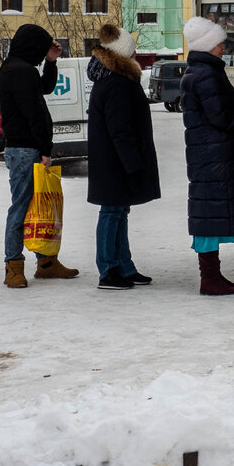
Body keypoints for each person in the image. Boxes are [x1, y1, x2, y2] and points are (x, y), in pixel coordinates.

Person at [0, 24, 79, 288]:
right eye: (42, 47)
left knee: (38, 207)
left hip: (23, 147)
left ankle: (46, 263)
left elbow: (44, 88)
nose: (44, 51)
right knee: (22, 207)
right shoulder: (20, 71)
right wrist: (45, 148)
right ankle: (14, 266)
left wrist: (50, 62)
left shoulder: (18, 68)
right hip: (25, 149)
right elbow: (35, 113)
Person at [182, 16, 234, 296]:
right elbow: (221, 117)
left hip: (207, 155)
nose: (223, 47)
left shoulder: (197, 72)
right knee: (208, 216)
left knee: (208, 214)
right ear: (208, 45)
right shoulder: (207, 75)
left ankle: (212, 276)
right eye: (219, 43)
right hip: (212, 156)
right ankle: (209, 279)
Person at [86, 24, 161, 290]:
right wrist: (132, 165)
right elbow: (120, 130)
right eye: (133, 51)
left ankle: (124, 267)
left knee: (119, 212)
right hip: (114, 161)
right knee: (112, 212)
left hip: (114, 160)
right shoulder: (116, 83)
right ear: (122, 55)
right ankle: (108, 270)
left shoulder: (114, 79)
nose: (136, 54)